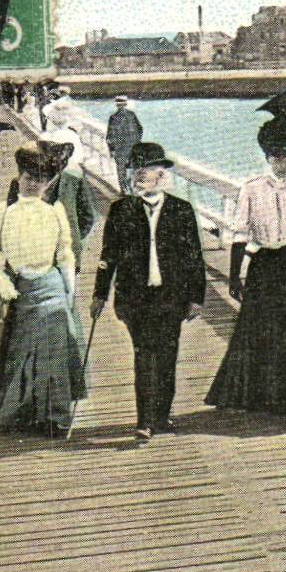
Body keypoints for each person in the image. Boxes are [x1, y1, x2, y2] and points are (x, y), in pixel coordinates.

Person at [204, 118, 286, 415]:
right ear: (267, 157)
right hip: (264, 263)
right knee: (260, 328)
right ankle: (261, 396)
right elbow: (240, 233)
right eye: (277, 157)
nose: (283, 163)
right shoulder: (252, 188)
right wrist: (235, 275)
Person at [91, 143, 207, 439]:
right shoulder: (121, 210)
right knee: (144, 356)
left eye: (147, 169)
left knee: (167, 356)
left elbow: (194, 257)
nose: (139, 174)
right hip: (135, 298)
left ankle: (162, 415)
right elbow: (108, 255)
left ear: (161, 174)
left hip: (171, 297)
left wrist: (197, 298)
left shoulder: (182, 210)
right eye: (135, 169)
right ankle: (144, 420)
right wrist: (99, 294)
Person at [0, 143, 86, 437]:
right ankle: (17, 414)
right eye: (28, 178)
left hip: (51, 286)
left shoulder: (55, 210)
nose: (32, 185)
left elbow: (65, 252)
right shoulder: (3, 211)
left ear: (48, 184)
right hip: (18, 288)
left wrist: (69, 291)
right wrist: (3, 284)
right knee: (20, 353)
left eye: (39, 181)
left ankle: (54, 417)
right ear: (19, 177)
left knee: (54, 352)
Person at [39, 138, 98, 272]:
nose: (54, 162)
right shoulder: (30, 184)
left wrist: (75, 236)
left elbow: (89, 217)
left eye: (57, 159)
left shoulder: (75, 182)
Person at [106, 96, 144, 194]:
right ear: (125, 104)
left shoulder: (113, 118)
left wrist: (112, 149)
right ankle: (133, 189)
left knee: (121, 170)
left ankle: (124, 190)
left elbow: (109, 136)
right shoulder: (132, 115)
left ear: (117, 105)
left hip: (119, 149)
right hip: (132, 146)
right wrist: (137, 141)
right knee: (133, 169)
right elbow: (140, 129)